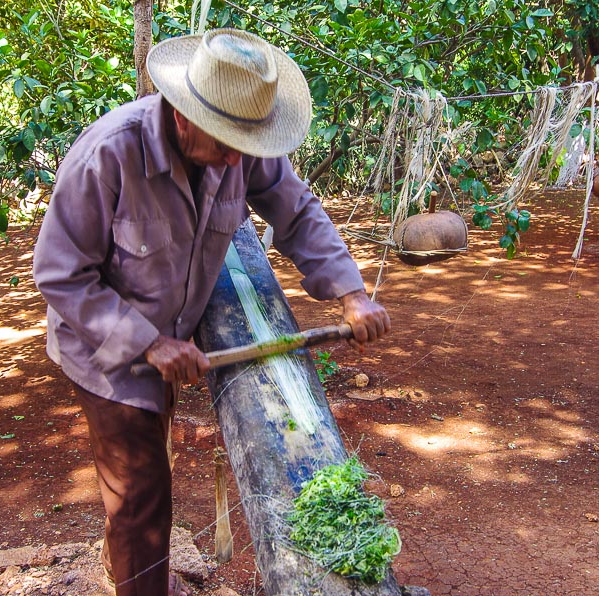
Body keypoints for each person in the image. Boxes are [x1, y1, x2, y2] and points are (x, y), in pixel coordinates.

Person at [32, 28, 391, 596]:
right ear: (181, 116)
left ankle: (125, 566)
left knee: (149, 470)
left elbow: (296, 211)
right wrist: (148, 342)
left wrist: (352, 293)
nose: (236, 160)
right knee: (140, 494)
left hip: (174, 336)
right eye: (226, 143)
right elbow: (59, 274)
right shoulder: (108, 155)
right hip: (105, 351)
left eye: (245, 146)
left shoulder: (238, 152)